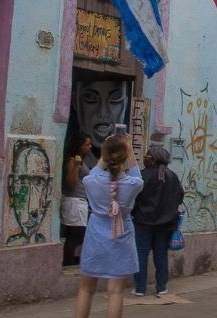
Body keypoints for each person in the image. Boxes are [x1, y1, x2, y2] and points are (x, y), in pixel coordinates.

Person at [74, 134, 143, 318]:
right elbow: (136, 174)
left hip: (95, 235)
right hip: (121, 235)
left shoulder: (90, 181)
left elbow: (95, 172)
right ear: (125, 156)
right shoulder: (133, 184)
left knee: (86, 289)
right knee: (116, 291)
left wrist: (106, 151)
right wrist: (128, 148)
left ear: (104, 156)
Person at [132, 146, 184, 296]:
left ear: (153, 159)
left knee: (141, 254)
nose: (145, 156)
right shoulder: (173, 176)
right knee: (161, 254)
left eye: (148, 154)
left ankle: (140, 288)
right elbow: (180, 197)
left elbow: (134, 198)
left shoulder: (142, 176)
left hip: (143, 223)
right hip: (165, 224)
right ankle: (161, 287)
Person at [62, 131, 92, 265]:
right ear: (79, 146)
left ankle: (72, 260)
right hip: (74, 201)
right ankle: (68, 263)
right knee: (76, 236)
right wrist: (75, 166)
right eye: (87, 144)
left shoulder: (82, 160)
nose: (90, 147)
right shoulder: (72, 160)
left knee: (76, 236)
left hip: (80, 201)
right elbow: (71, 182)